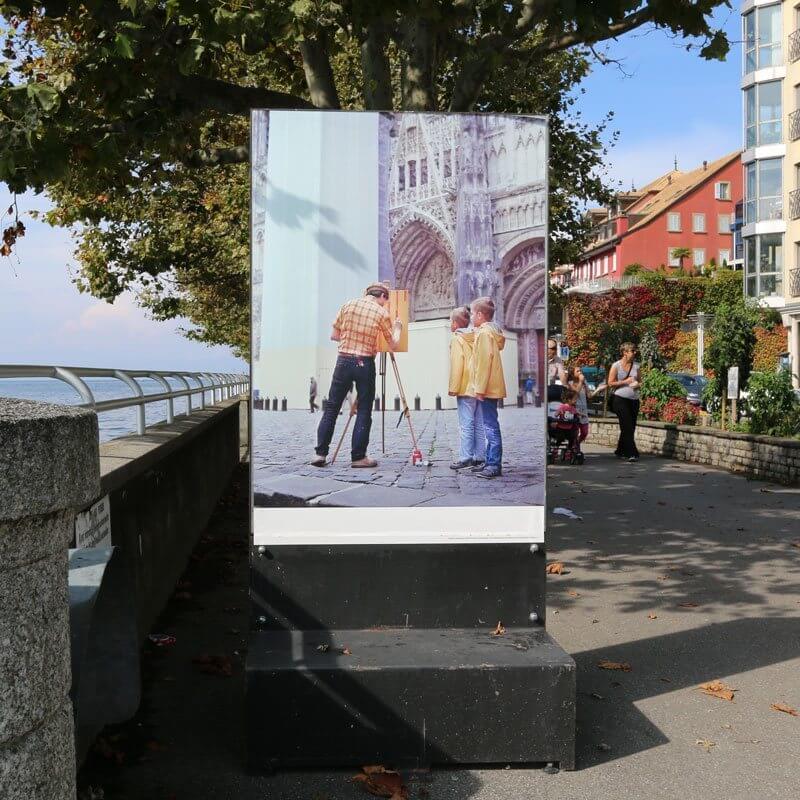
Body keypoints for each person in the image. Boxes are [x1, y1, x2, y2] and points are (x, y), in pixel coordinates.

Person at [312, 282, 403, 468]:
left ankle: (320, 454)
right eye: (385, 300)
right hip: (365, 362)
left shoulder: (348, 305)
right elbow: (393, 344)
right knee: (364, 409)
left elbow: (334, 336)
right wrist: (399, 328)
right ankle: (358, 457)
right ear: (383, 297)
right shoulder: (381, 313)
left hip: (343, 360)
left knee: (332, 407)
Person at [470, 296, 507, 479]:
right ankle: (490, 460)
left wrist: (479, 389)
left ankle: (493, 464)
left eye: (471, 313)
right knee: (489, 424)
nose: (470, 317)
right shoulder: (490, 332)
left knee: (491, 426)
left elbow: (484, 363)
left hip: (487, 387)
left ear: (479, 314)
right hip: (490, 386)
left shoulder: (484, 334)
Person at [447, 306, 485, 471]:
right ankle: (480, 456)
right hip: (479, 386)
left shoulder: (457, 339)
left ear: (455, 324)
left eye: (450, 321)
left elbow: (457, 364)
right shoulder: (476, 336)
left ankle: (465, 457)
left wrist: (453, 387)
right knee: (479, 423)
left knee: (466, 424)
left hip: (465, 386)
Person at [608, 342, 641, 462]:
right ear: (625, 353)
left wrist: (637, 384)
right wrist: (625, 382)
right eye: (632, 350)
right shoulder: (616, 366)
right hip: (620, 399)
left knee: (630, 427)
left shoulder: (636, 366)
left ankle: (620, 450)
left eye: (634, 350)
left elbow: (640, 381)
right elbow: (610, 383)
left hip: (634, 400)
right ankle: (631, 453)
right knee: (626, 425)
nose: (634, 352)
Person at [567, 365, 590, 450]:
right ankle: (572, 447)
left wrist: (598, 389)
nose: (580, 373)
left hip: (584, 411)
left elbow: (589, 395)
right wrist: (581, 382)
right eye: (578, 371)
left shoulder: (584, 381)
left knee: (584, 432)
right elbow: (574, 396)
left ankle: (576, 443)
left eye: (581, 371)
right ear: (572, 374)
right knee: (574, 431)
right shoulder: (569, 384)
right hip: (574, 410)